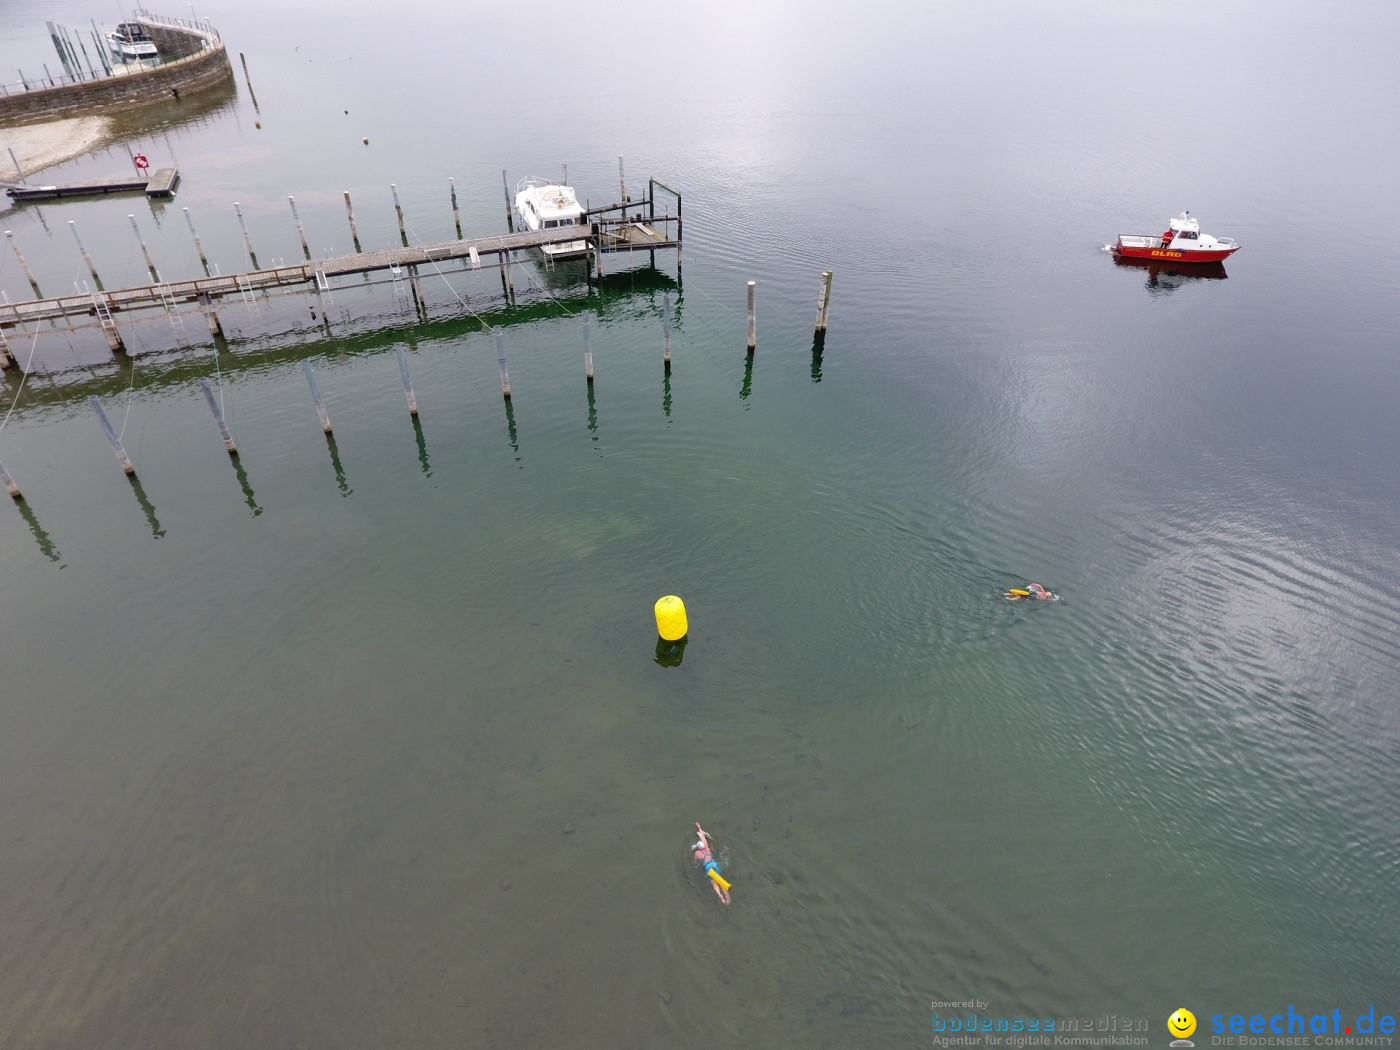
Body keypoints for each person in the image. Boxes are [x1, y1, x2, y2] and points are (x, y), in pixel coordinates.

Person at [693, 823, 730, 904]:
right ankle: (726, 893)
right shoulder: (707, 847)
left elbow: (695, 862)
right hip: (714, 864)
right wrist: (699, 827)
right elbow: (703, 836)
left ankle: (720, 896)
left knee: (714, 883)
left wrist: (696, 864)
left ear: (698, 847)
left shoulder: (697, 853)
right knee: (719, 880)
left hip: (708, 868)